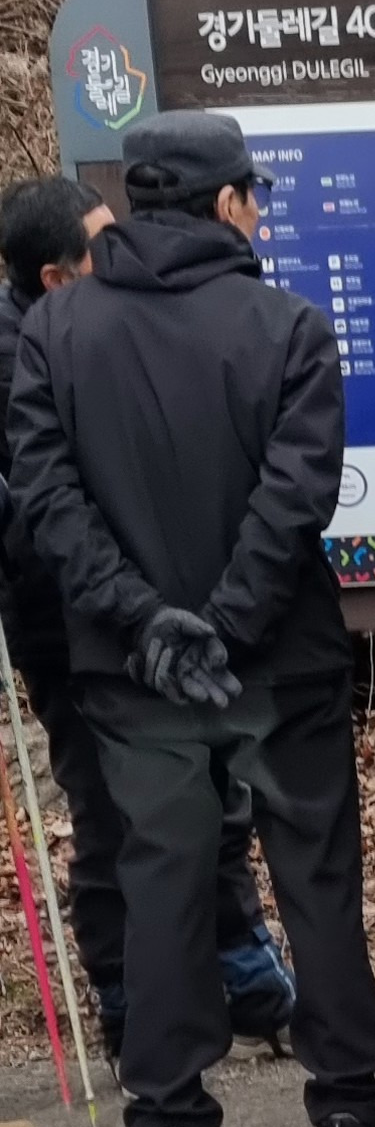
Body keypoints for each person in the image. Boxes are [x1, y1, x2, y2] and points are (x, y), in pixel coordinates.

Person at [7, 111, 375, 1127]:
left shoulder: (56, 331)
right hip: (281, 662)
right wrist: (224, 622)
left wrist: (147, 623)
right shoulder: (287, 325)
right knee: (317, 876)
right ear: (229, 202)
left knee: (161, 882)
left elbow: (46, 496)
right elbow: (300, 492)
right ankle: (350, 1115)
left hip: (133, 672)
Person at [0, 172, 295, 1065]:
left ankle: (241, 966)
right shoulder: (29, 354)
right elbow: (48, 505)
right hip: (69, 625)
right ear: (55, 277)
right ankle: (128, 994)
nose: (124, 249)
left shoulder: (113, 317)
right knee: (106, 806)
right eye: (102, 242)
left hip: (159, 607)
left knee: (206, 776)